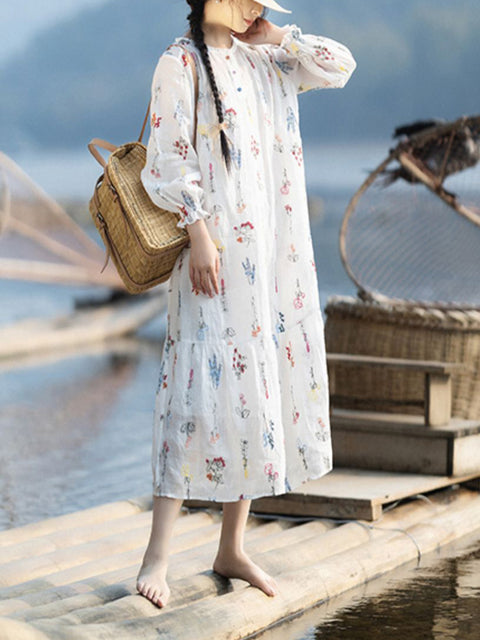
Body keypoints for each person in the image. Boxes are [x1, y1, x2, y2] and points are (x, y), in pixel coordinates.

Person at [136, 0, 356, 608]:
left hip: (272, 258)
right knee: (192, 386)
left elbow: (339, 65)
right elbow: (167, 156)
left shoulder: (268, 58)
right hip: (213, 251)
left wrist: (279, 34)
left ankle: (232, 545)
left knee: (258, 384)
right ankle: (157, 551)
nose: (254, 7)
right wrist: (198, 230)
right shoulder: (179, 62)